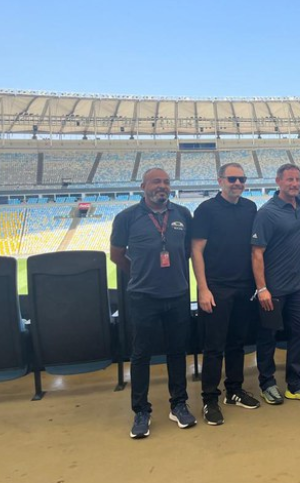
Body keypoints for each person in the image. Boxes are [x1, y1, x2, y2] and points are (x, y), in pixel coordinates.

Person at [110, 167, 196, 439]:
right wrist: (140, 275)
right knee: (140, 355)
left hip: (178, 294)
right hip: (144, 297)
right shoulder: (126, 218)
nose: (162, 186)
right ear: (143, 186)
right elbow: (117, 255)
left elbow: (187, 252)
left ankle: (179, 404)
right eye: (156, 181)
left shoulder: (182, 214)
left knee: (177, 352)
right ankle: (141, 411)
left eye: (166, 182)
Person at [191, 163, 260, 426]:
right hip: (217, 288)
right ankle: (210, 398)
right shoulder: (206, 210)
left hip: (244, 286)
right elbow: (196, 250)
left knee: (237, 343)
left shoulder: (250, 207)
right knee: (214, 347)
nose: (238, 183)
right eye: (232, 179)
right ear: (220, 180)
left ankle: (234, 390)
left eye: (242, 179)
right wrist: (203, 288)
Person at [251, 164, 300, 404]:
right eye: (289, 179)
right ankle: (267, 383)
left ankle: (296, 383)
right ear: (278, 181)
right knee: (268, 338)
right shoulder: (267, 213)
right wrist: (262, 288)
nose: (294, 183)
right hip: (273, 289)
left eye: (297, 179)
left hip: (298, 286)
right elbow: (257, 253)